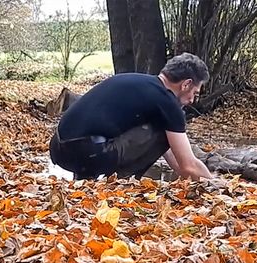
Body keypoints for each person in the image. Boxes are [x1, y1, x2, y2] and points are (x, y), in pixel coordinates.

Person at [49, 52, 214, 181]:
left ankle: (86, 178)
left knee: (163, 131)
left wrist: (187, 174)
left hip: (58, 147)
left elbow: (173, 157)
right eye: (194, 93)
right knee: (164, 131)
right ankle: (123, 183)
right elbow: (188, 165)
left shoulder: (138, 83)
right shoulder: (168, 102)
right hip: (85, 153)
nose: (192, 100)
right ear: (186, 84)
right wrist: (216, 186)